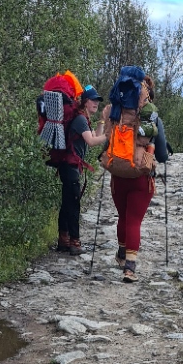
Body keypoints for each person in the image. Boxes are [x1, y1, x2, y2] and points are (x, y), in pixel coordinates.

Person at [101, 78, 168, 282]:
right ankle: (130, 268)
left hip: (118, 177)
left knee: (123, 216)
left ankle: (122, 254)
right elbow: (162, 155)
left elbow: (106, 145)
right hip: (141, 177)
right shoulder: (153, 119)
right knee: (134, 221)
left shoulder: (116, 115)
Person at [56, 86, 106, 258]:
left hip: (68, 166)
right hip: (70, 168)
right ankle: (74, 242)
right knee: (73, 205)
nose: (96, 103)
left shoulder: (82, 119)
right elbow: (91, 142)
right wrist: (111, 135)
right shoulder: (80, 119)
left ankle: (63, 240)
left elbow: (94, 135)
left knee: (67, 203)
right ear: (85, 102)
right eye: (93, 100)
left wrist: (102, 121)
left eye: (97, 101)